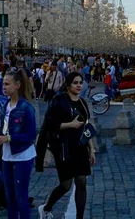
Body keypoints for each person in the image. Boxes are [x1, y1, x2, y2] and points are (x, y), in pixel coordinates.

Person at [37, 72, 96, 219]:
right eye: (75, 82)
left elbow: (85, 128)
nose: (78, 85)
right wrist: (71, 124)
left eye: (80, 83)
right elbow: (51, 124)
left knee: (81, 182)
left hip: (80, 147)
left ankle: (79, 217)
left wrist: (92, 149)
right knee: (66, 185)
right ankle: (46, 207)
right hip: (64, 148)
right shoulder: (59, 101)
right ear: (68, 84)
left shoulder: (82, 103)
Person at [0, 69, 36, 219]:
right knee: (9, 196)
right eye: (2, 84)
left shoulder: (26, 107)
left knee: (21, 196)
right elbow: (6, 128)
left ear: (17, 85)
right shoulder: (5, 106)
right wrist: (0, 135)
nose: (3, 87)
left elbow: (31, 135)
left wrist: (9, 138)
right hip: (7, 155)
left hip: (22, 155)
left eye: (6, 84)